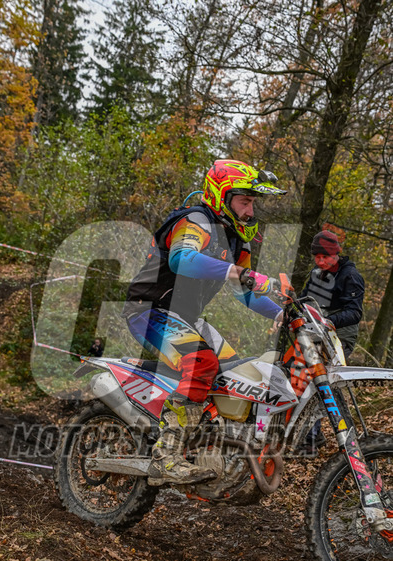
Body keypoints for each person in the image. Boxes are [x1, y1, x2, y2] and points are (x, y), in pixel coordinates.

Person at [122, 159, 286, 486]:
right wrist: (244, 273)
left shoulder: (236, 240)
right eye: (245, 201)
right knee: (202, 364)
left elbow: (244, 294)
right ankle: (166, 456)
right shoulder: (196, 220)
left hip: (187, 318)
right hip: (150, 310)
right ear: (222, 196)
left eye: (252, 203)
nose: (250, 211)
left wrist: (280, 313)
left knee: (236, 373)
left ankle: (209, 448)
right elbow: (182, 259)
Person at [301, 229, 365, 455]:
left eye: (325, 257)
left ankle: (322, 438)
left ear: (336, 254)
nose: (320, 261)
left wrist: (329, 321)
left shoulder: (351, 276)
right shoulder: (316, 273)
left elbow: (355, 313)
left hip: (340, 336)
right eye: (317, 257)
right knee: (306, 377)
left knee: (324, 381)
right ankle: (312, 435)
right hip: (315, 333)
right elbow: (304, 299)